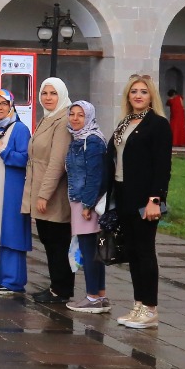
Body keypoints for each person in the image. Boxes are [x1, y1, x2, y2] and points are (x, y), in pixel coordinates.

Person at [111, 75, 171, 329]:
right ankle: (138, 304)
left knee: (145, 251)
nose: (138, 95)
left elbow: (162, 165)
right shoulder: (125, 123)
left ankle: (150, 308)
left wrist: (155, 199)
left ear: (151, 96)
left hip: (145, 197)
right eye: (133, 91)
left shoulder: (158, 124)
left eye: (143, 92)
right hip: (123, 192)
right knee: (132, 251)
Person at [26, 76, 74, 305]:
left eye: (53, 93)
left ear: (62, 95)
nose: (48, 98)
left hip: (54, 194)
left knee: (57, 242)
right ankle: (56, 286)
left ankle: (61, 290)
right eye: (45, 93)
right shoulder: (47, 119)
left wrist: (44, 194)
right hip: (41, 189)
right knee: (49, 241)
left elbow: (57, 162)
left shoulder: (63, 120)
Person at [0, 89, 31, 295]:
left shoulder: (19, 129)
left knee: (13, 235)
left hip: (12, 190)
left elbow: (25, 159)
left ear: (11, 106)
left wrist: (3, 149)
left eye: (4, 103)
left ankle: (13, 281)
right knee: (2, 234)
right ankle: (3, 278)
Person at [65, 100, 111, 313]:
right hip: (81, 200)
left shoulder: (91, 141)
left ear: (89, 117)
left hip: (86, 202)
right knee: (94, 250)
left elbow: (95, 175)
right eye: (72, 114)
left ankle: (92, 297)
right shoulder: (79, 138)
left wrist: (87, 204)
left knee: (89, 249)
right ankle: (100, 295)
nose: (75, 118)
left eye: (80, 115)